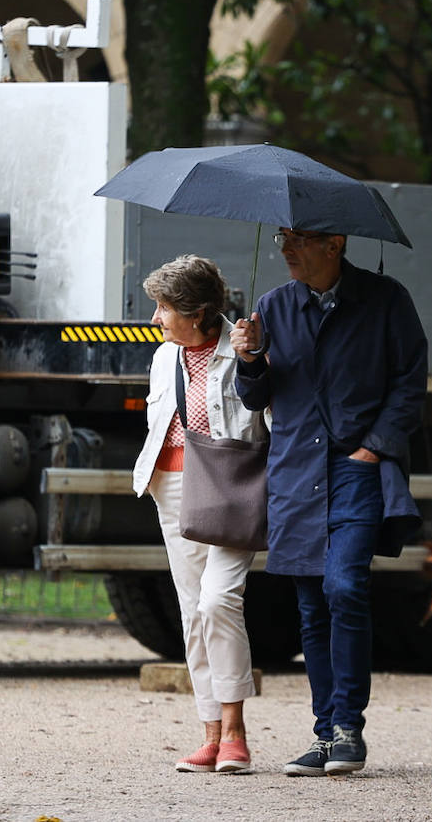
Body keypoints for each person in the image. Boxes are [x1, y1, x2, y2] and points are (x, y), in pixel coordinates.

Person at [231, 227, 427, 777]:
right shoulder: (273, 306)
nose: (285, 249)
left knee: (344, 585)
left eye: (299, 239)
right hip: (296, 471)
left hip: (355, 468)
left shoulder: (386, 300)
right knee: (312, 606)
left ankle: (348, 729)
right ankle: (325, 735)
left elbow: (410, 381)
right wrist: (250, 358)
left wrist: (373, 448)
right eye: (282, 238)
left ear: (334, 244)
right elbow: (255, 397)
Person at [132, 255, 268, 774]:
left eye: (164, 308)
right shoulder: (164, 355)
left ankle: (236, 734)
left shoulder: (244, 349)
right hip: (172, 487)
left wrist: (253, 360)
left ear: (198, 312)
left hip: (231, 488)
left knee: (218, 600)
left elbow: (273, 419)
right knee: (192, 611)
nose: (156, 318)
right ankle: (210, 734)